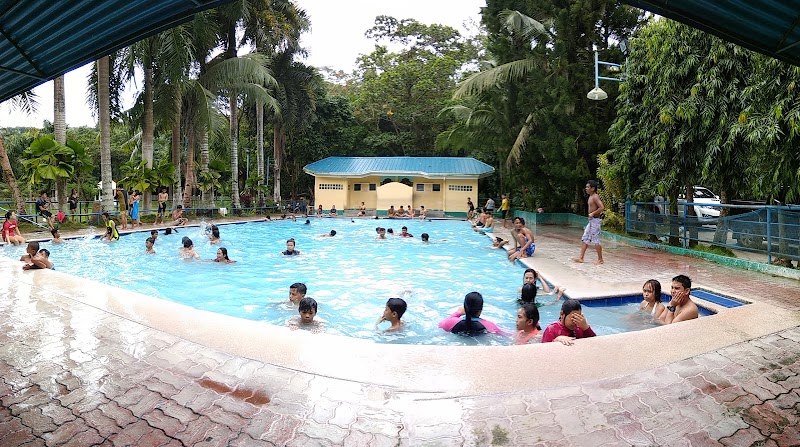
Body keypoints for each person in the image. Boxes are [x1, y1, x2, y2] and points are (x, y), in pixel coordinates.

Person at [438, 292, 506, 336]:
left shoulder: (452, 322)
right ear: (480, 311)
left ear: (465, 308)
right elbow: (504, 334)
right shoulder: (488, 325)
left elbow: (440, 325)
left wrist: (458, 313)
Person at [573, 180, 605, 264]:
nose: (586, 188)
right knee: (585, 238)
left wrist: (593, 213)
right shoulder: (590, 196)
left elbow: (601, 207)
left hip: (595, 221)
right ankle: (581, 257)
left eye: (588, 187)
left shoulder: (595, 196)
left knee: (595, 239)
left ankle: (600, 259)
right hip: (591, 221)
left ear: (593, 188)